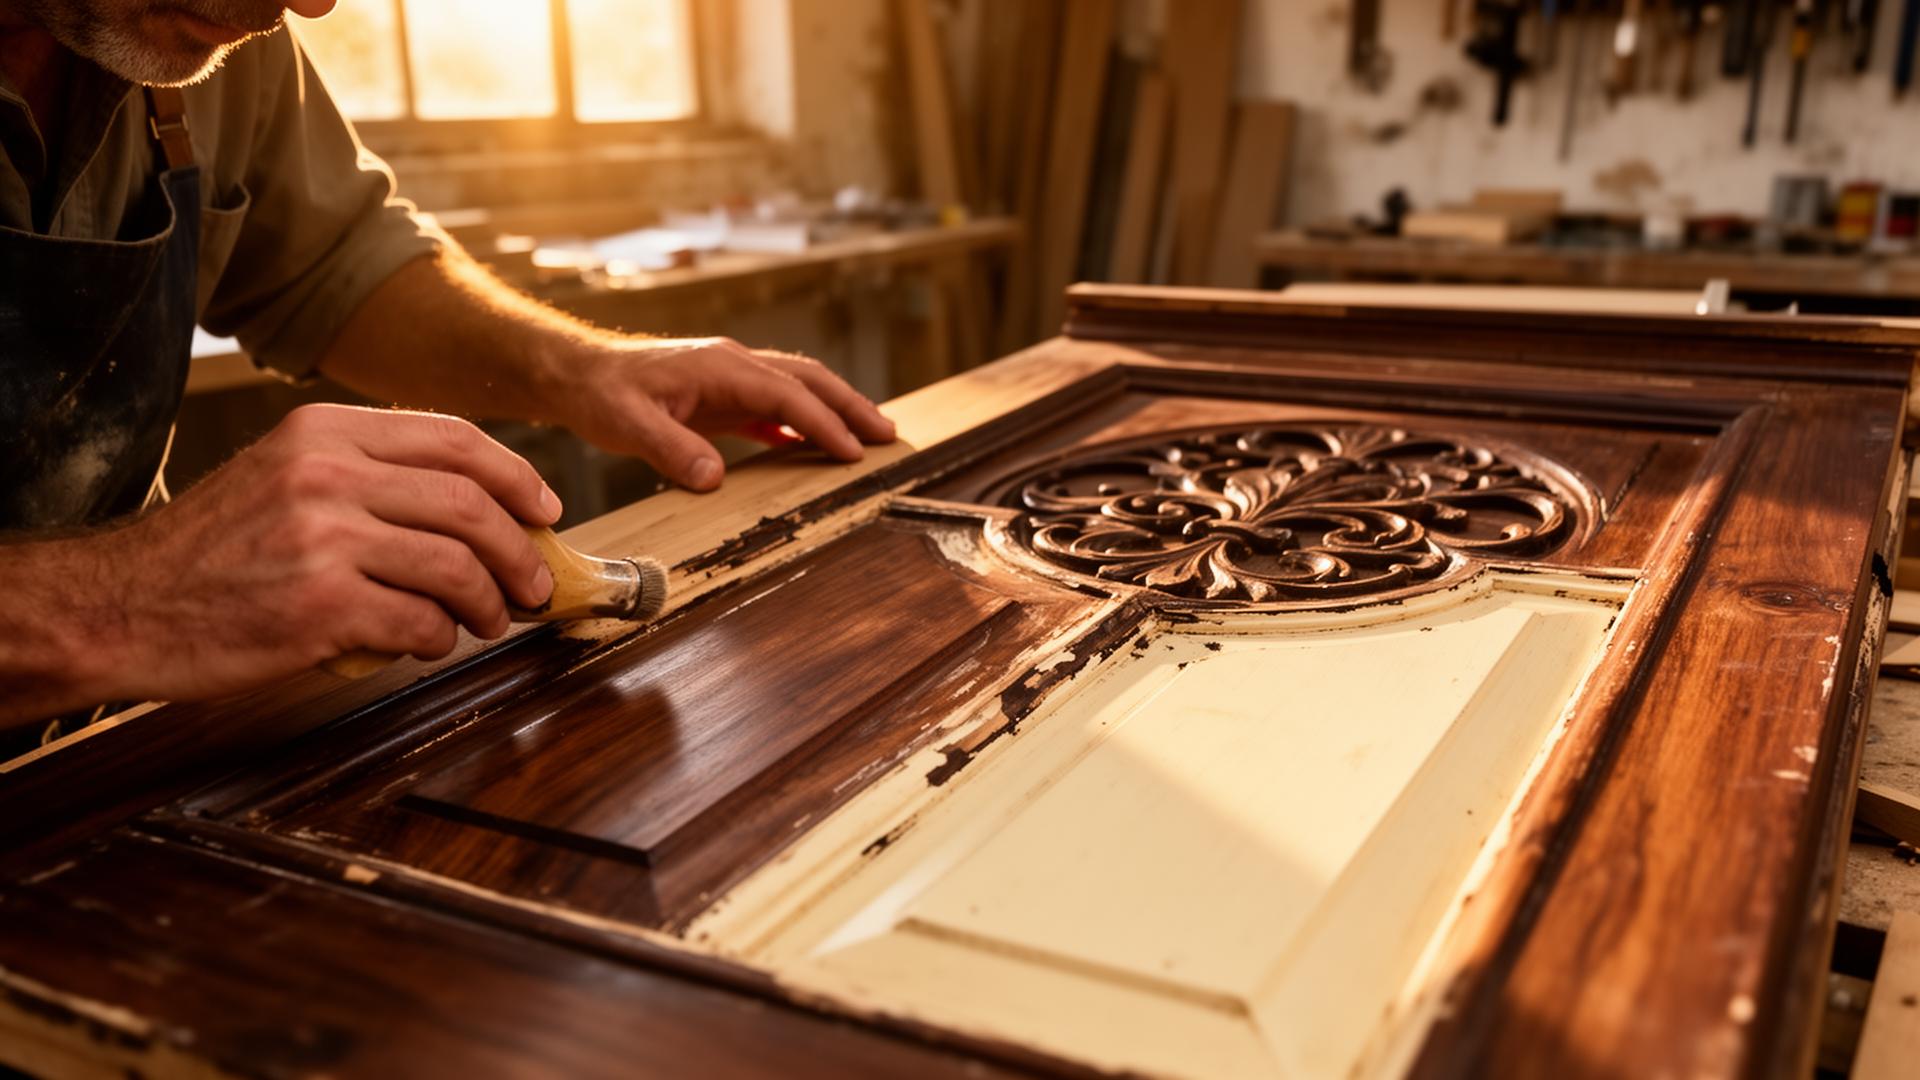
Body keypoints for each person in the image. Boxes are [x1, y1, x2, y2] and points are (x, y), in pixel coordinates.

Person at [0, 0, 897, 738]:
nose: (311, 5)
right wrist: (124, 602)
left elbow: (336, 265)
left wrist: (578, 366)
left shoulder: (199, 30)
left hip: (107, 744)